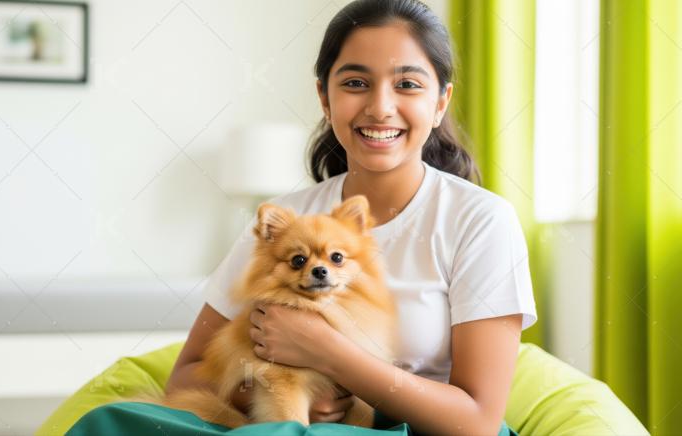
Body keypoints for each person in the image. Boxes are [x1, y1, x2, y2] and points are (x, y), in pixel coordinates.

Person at [73, 1, 537, 434]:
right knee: (109, 420)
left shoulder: (480, 221)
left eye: (407, 84)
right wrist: (279, 391)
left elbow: (477, 421)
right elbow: (188, 378)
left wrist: (330, 356)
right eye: (355, 82)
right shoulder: (288, 219)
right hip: (274, 424)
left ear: (440, 102)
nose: (380, 106)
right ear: (324, 96)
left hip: (409, 431)